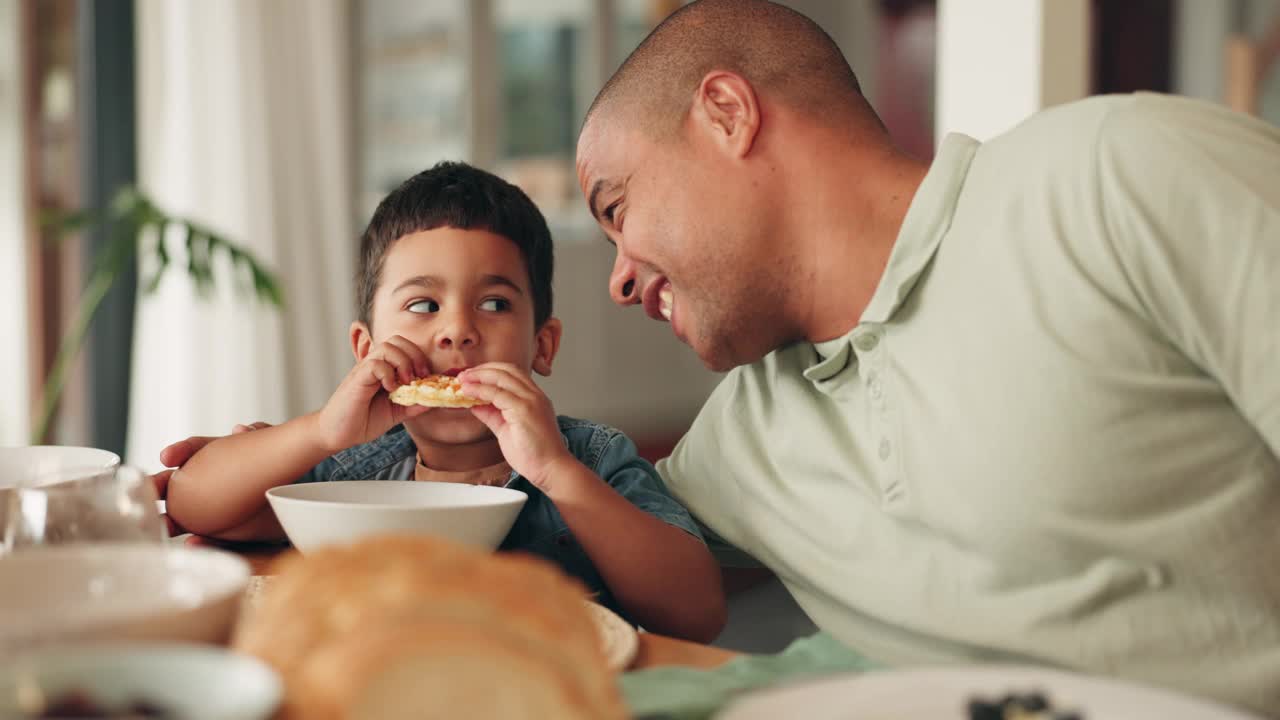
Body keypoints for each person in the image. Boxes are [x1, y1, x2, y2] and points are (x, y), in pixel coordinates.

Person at [574, 0, 1280, 714]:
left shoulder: (1117, 176)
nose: (619, 279)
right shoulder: (739, 440)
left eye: (618, 208)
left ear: (728, 112)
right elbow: (572, 558)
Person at [162, 161, 725, 642]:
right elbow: (191, 501)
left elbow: (696, 612)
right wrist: (319, 433)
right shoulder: (352, 465)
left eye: (496, 304)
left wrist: (555, 471)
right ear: (366, 348)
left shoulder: (592, 460)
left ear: (542, 345)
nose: (457, 330)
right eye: (425, 305)